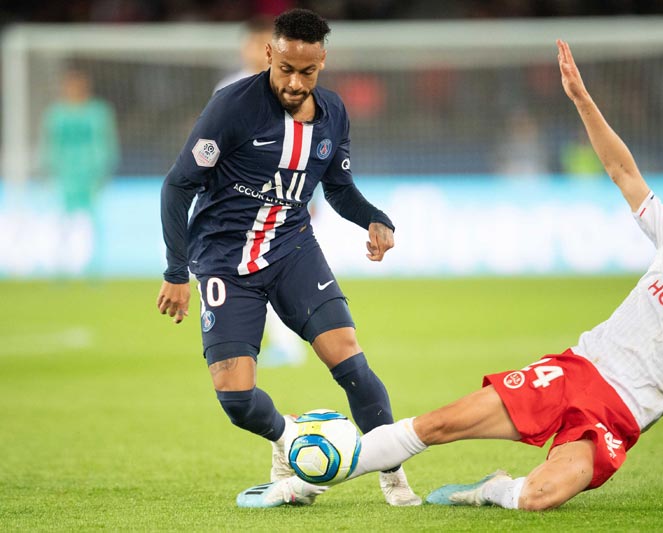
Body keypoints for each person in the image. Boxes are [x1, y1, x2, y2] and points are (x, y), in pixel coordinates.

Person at [255, 39, 663, 510]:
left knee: (539, 498)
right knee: (439, 425)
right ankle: (304, 480)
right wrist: (582, 100)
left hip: (618, 420)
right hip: (576, 373)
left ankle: (493, 489)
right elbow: (621, 169)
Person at [156, 8, 420, 507]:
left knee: (349, 358)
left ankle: (393, 473)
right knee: (236, 400)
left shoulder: (335, 112)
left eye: (309, 71)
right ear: (269, 54)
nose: (296, 82)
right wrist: (176, 271)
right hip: (224, 262)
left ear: (322, 61)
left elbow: (338, 187)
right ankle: (288, 437)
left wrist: (376, 218)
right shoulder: (231, 108)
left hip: (292, 249)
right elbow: (177, 186)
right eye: (286, 70)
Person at [214, 15, 308, 368]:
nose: (253, 51)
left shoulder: (291, 88)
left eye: (260, 44)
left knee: (276, 269)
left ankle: (287, 342)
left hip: (282, 196)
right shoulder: (228, 87)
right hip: (238, 201)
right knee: (249, 272)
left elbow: (305, 146)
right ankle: (275, 343)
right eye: (249, 43)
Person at [41, 67, 119, 275]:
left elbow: (106, 143)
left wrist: (103, 171)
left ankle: (95, 266)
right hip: (66, 175)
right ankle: (60, 265)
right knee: (62, 222)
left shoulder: (98, 112)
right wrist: (50, 171)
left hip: (90, 175)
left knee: (93, 221)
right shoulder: (56, 114)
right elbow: (51, 145)